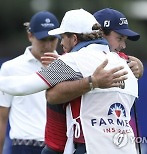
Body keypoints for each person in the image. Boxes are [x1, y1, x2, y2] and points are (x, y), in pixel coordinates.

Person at [0, 8, 139, 154]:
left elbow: (22, 87)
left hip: (90, 148)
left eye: (62, 37)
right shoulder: (124, 64)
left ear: (74, 38)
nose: (61, 44)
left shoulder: (71, 61)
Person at [0, 11, 61, 154]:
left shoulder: (67, 65)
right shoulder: (11, 68)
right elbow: (1, 117)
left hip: (59, 147)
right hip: (24, 147)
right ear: (30, 36)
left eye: (52, 39)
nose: (47, 45)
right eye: (42, 39)